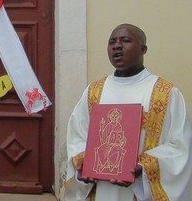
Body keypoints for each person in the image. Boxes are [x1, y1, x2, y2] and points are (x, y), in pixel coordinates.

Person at [65, 23, 192, 200]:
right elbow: (77, 136)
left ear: (143, 49)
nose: (117, 46)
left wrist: (144, 168)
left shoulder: (165, 93)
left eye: (125, 40)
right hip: (101, 189)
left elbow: (181, 147)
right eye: (112, 42)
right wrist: (83, 162)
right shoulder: (94, 92)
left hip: (139, 190)